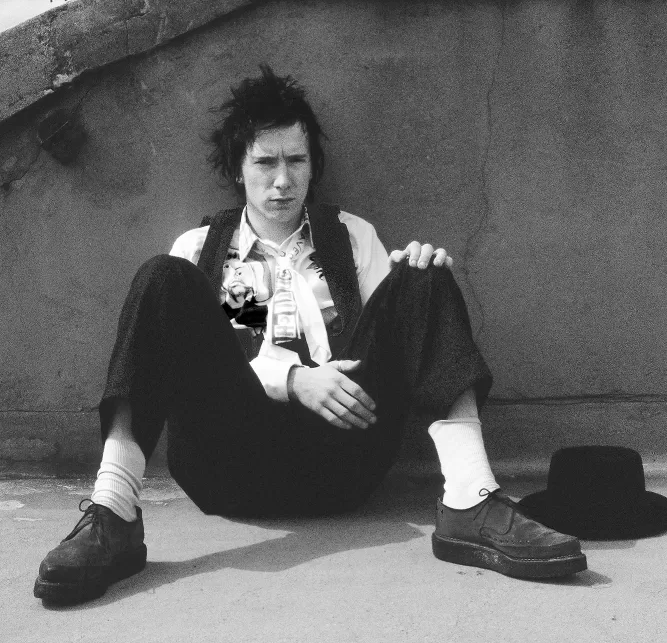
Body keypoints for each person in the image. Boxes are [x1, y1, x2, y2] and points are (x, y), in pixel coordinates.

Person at [34, 66, 586, 605]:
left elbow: (398, 338)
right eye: (265, 162)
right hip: (230, 462)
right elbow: (233, 356)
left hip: (341, 461)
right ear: (237, 168)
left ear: (312, 166)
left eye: (296, 161)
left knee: (424, 274)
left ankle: (470, 498)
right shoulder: (206, 248)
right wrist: (295, 379)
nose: (282, 180)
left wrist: (415, 282)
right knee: (162, 276)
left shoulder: (350, 236)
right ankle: (114, 513)